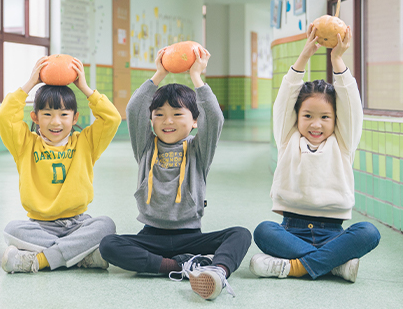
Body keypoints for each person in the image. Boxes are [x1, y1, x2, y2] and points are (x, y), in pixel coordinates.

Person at [98, 46, 251, 301]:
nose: (167, 121)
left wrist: (197, 77)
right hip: (151, 236)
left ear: (194, 122)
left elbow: (214, 117)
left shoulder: (198, 150)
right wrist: (159, 74)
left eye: (177, 114)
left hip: (190, 237)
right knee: (109, 245)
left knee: (241, 234)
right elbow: (135, 110)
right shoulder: (146, 146)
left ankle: (217, 272)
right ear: (152, 120)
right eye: (159, 115)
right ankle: (178, 266)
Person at [249, 25, 380, 283]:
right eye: (307, 116)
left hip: (332, 233)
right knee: (263, 231)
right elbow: (285, 98)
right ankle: (333, 265)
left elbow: (351, 105)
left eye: (325, 117)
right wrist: (304, 56)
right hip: (290, 231)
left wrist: (337, 60)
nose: (315, 124)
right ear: (296, 117)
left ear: (335, 120)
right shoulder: (288, 139)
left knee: (369, 232)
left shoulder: (343, 143)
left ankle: (296, 267)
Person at [0, 57, 121, 274]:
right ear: (35, 117)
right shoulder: (25, 144)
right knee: (12, 229)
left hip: (78, 224)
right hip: (39, 226)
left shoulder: (86, 142)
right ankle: (81, 256)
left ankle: (39, 260)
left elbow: (112, 118)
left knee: (106, 224)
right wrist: (29, 85)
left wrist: (84, 87)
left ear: (74, 118)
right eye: (47, 114)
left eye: (64, 115)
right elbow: (5, 117)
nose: (56, 122)